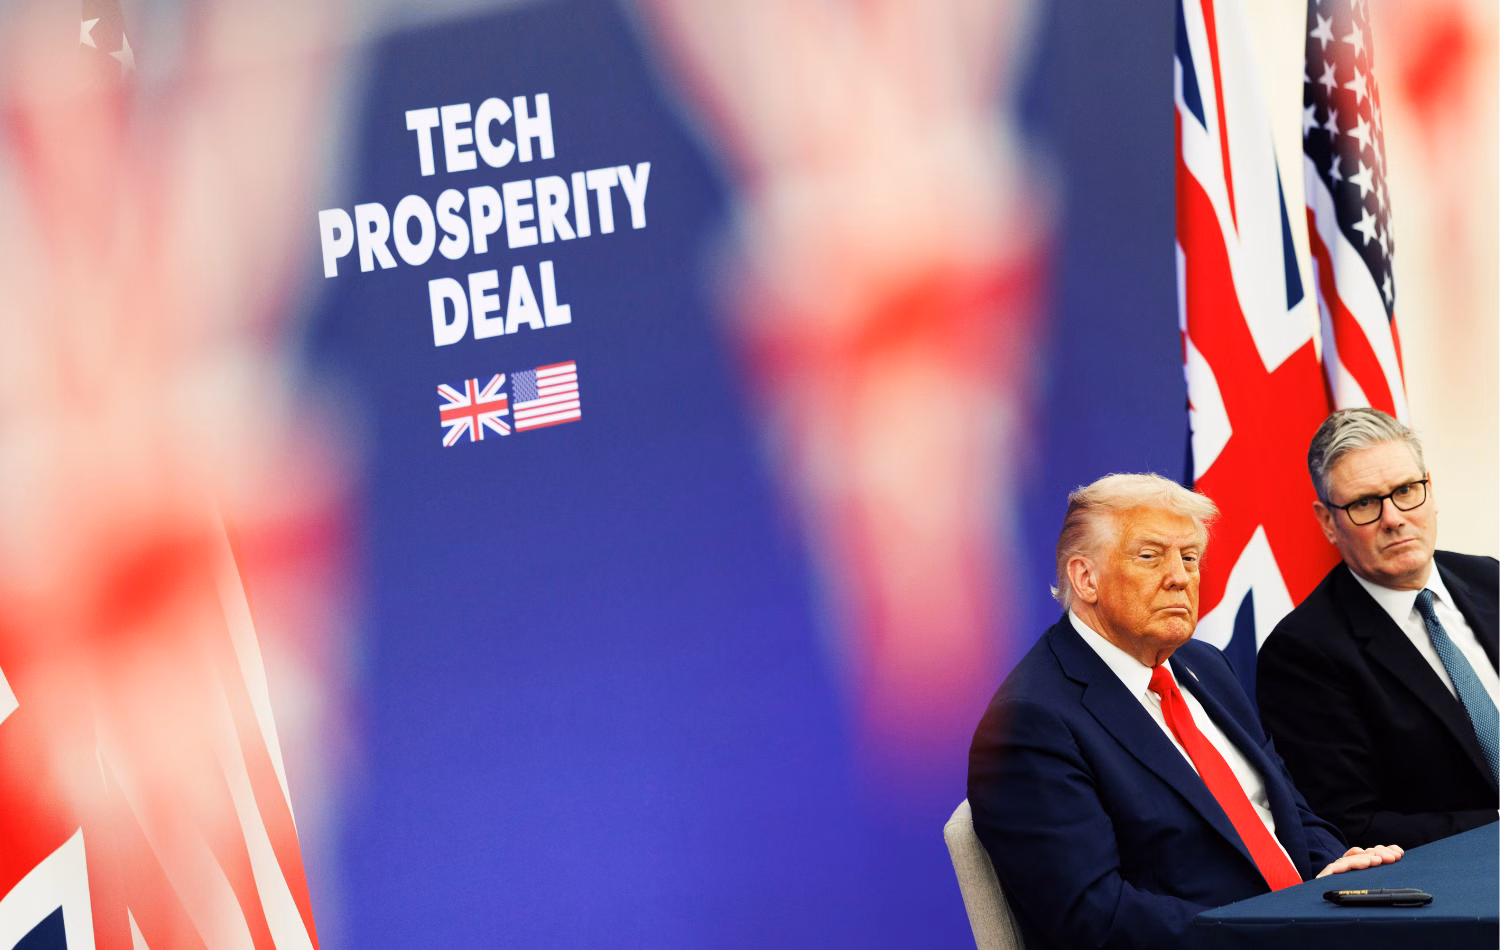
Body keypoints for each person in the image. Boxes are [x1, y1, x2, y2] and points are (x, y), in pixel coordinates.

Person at [967, 474, 1401, 950]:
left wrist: (1335, 870)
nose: (1180, 576)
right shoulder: (1029, 723)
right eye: (1150, 556)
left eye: (1190, 557)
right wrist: (1271, 928)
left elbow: (1287, 810)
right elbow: (1094, 918)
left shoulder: (1206, 665)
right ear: (1086, 578)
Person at [1257, 408, 1499, 849]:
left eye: (1406, 490)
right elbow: (1350, 824)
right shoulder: (1302, 652)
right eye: (1365, 503)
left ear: (1429, 489)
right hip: (1459, 875)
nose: (1393, 518)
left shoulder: (1491, 580)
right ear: (1328, 522)